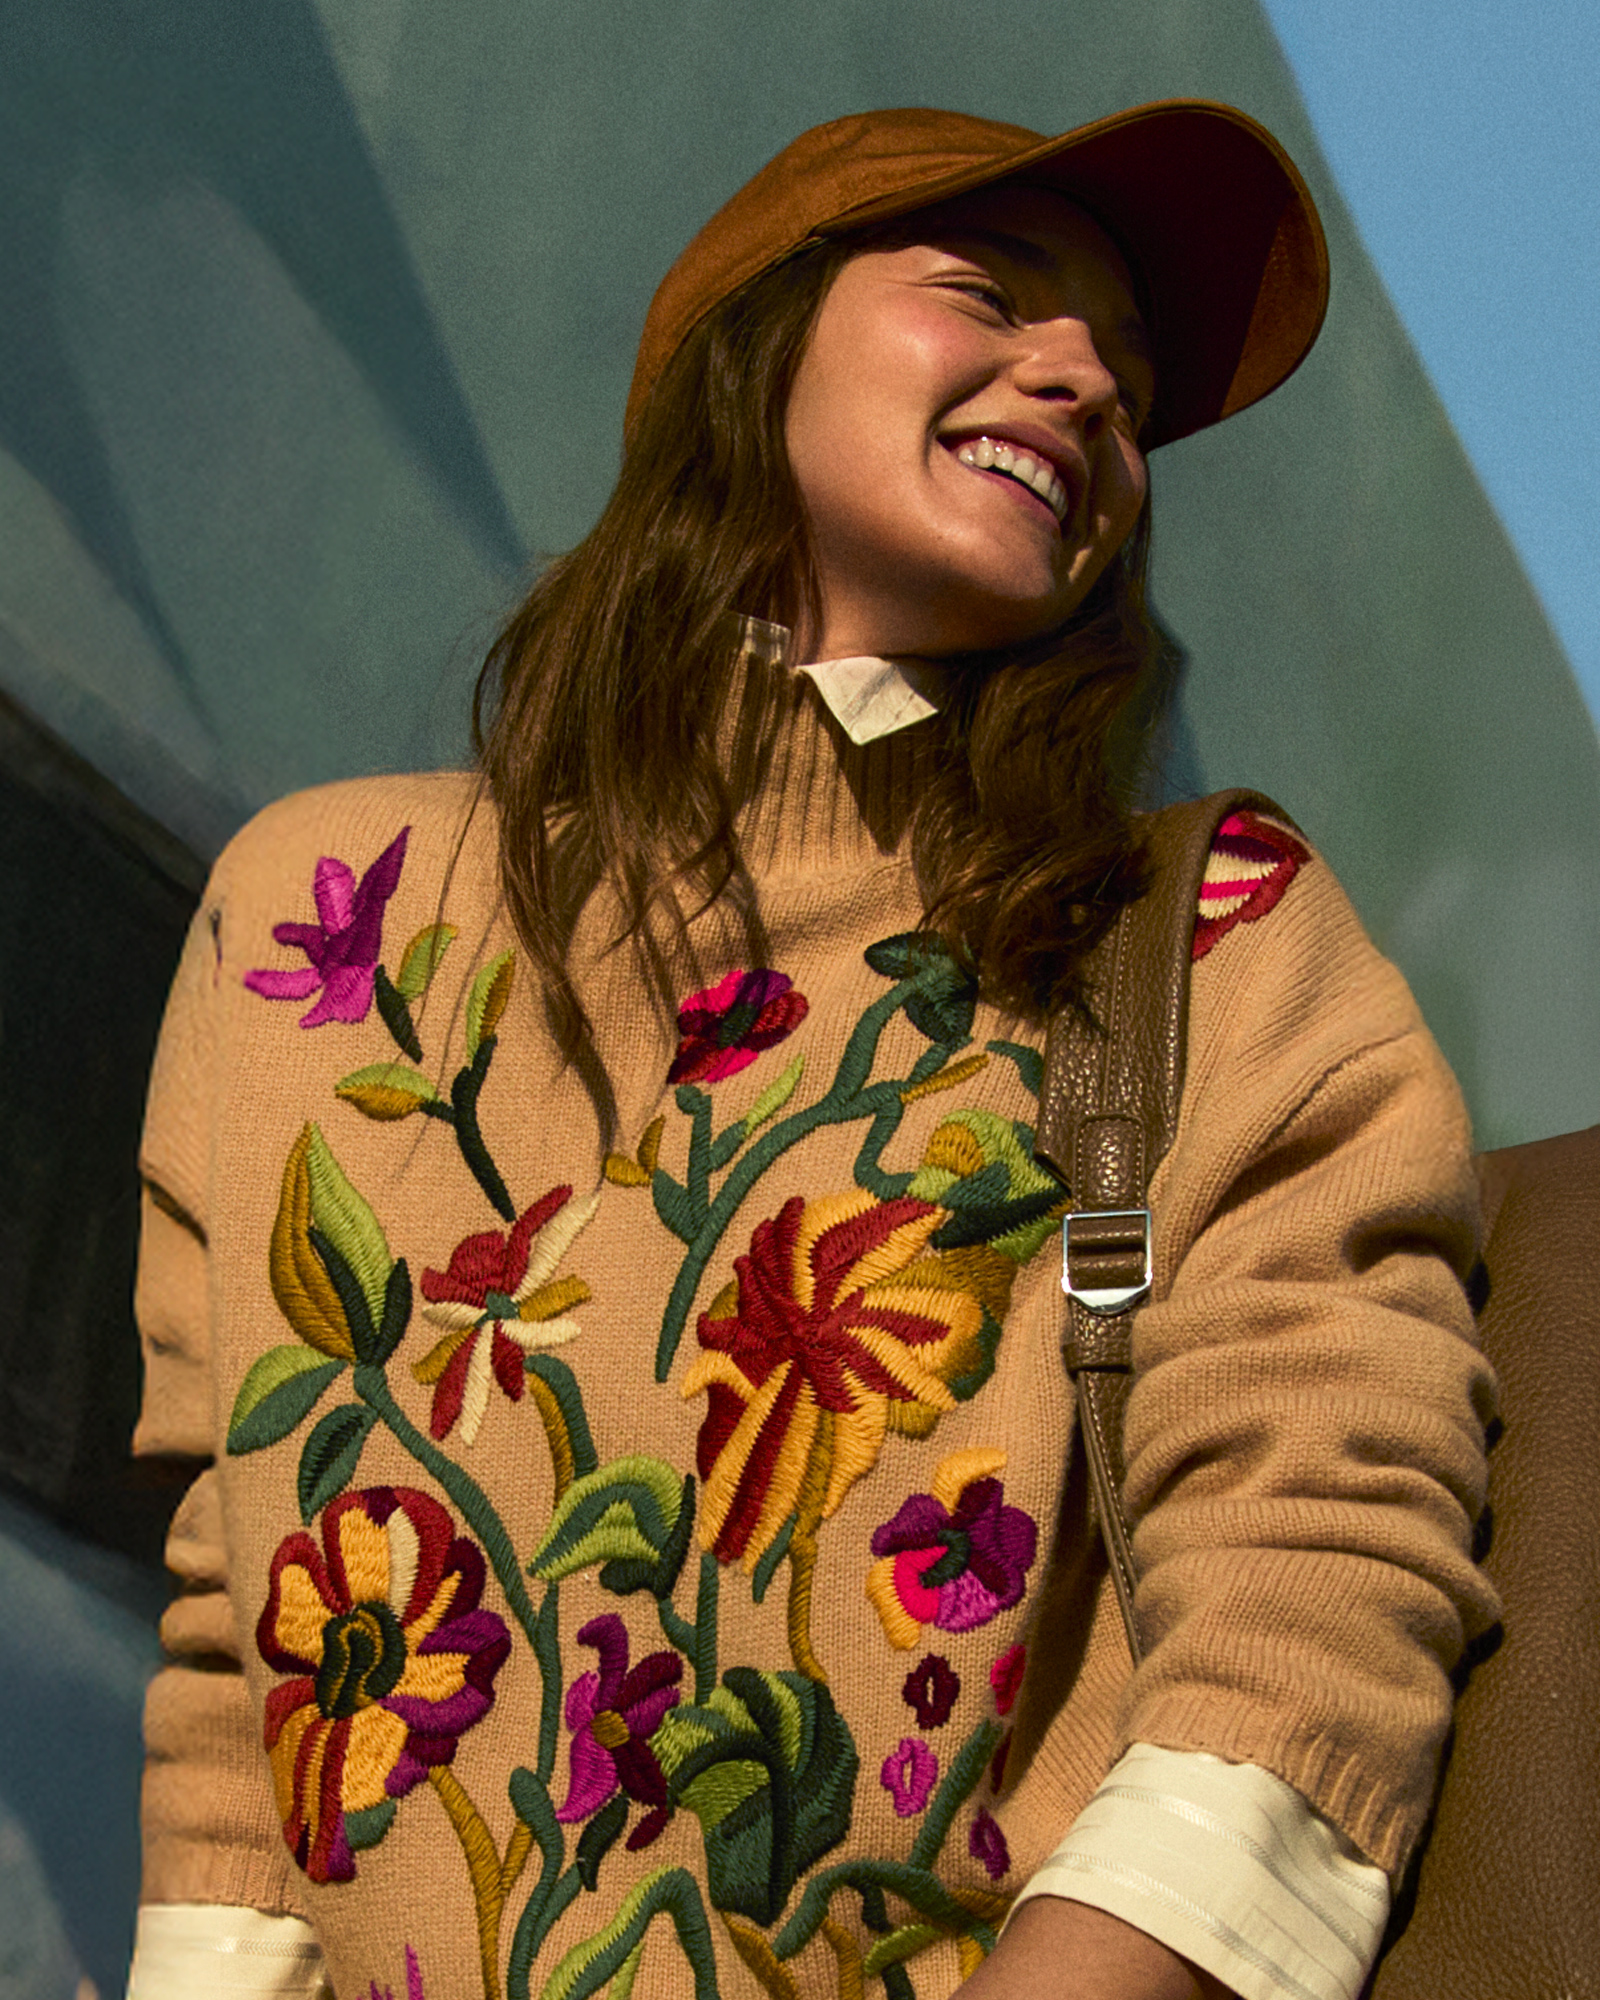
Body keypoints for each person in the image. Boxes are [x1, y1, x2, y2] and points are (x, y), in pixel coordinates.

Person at [125, 100, 1498, 2000]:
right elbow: (240, 1669)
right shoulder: (318, 916)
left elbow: (1318, 1560)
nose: (1091, 382)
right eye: (991, 293)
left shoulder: (1200, 931)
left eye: (1131, 370)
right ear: (749, 349)